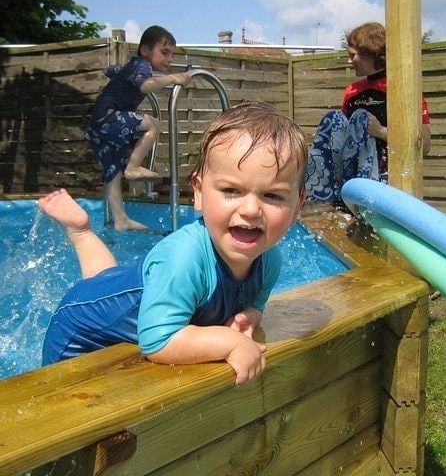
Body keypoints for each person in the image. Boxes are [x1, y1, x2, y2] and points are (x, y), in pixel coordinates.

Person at [39, 102, 307, 386]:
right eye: (231, 190)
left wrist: (250, 316)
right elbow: (157, 340)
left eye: (273, 196)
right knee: (59, 399)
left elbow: (254, 306)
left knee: (111, 286)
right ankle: (80, 233)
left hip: (120, 298)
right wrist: (229, 342)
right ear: (199, 193)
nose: (251, 209)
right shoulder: (183, 259)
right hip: (76, 332)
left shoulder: (269, 261)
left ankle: (81, 232)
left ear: (297, 207)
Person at [306, 22, 431, 205]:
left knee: (360, 118)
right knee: (333, 119)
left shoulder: (404, 93)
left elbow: (425, 146)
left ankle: (363, 195)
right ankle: (321, 195)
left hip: (387, 181)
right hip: (349, 176)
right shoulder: (352, 91)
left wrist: (381, 131)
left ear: (370, 53)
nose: (349, 61)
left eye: (352, 55)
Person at [86, 25, 191, 231]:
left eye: (172, 54)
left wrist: (112, 72)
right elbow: (145, 86)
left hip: (96, 126)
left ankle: (120, 219)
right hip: (109, 118)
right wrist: (173, 78)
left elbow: (112, 71)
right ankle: (133, 167)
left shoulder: (133, 65)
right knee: (153, 124)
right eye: (164, 52)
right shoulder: (142, 65)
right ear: (144, 50)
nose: (169, 58)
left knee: (113, 171)